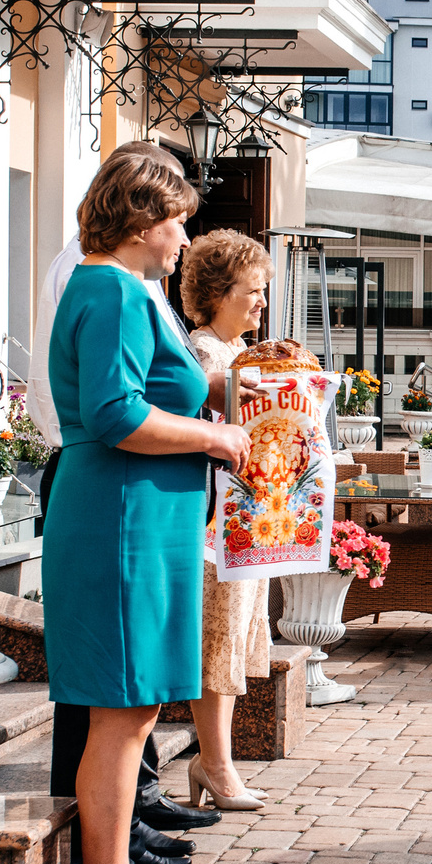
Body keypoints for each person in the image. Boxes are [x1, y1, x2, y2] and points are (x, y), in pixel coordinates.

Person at [46, 157, 247, 864]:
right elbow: (115, 412)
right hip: (120, 523)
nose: (184, 239)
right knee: (121, 714)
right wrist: (216, 436)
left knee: (131, 713)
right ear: (140, 220)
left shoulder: (115, 288)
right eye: (178, 221)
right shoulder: (115, 291)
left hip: (135, 520)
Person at [179, 228, 275, 813]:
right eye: (252, 290)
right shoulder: (204, 355)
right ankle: (215, 765)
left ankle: (215, 761)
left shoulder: (240, 353)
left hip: (248, 518)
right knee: (219, 636)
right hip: (218, 521)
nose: (261, 300)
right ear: (218, 293)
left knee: (235, 635)